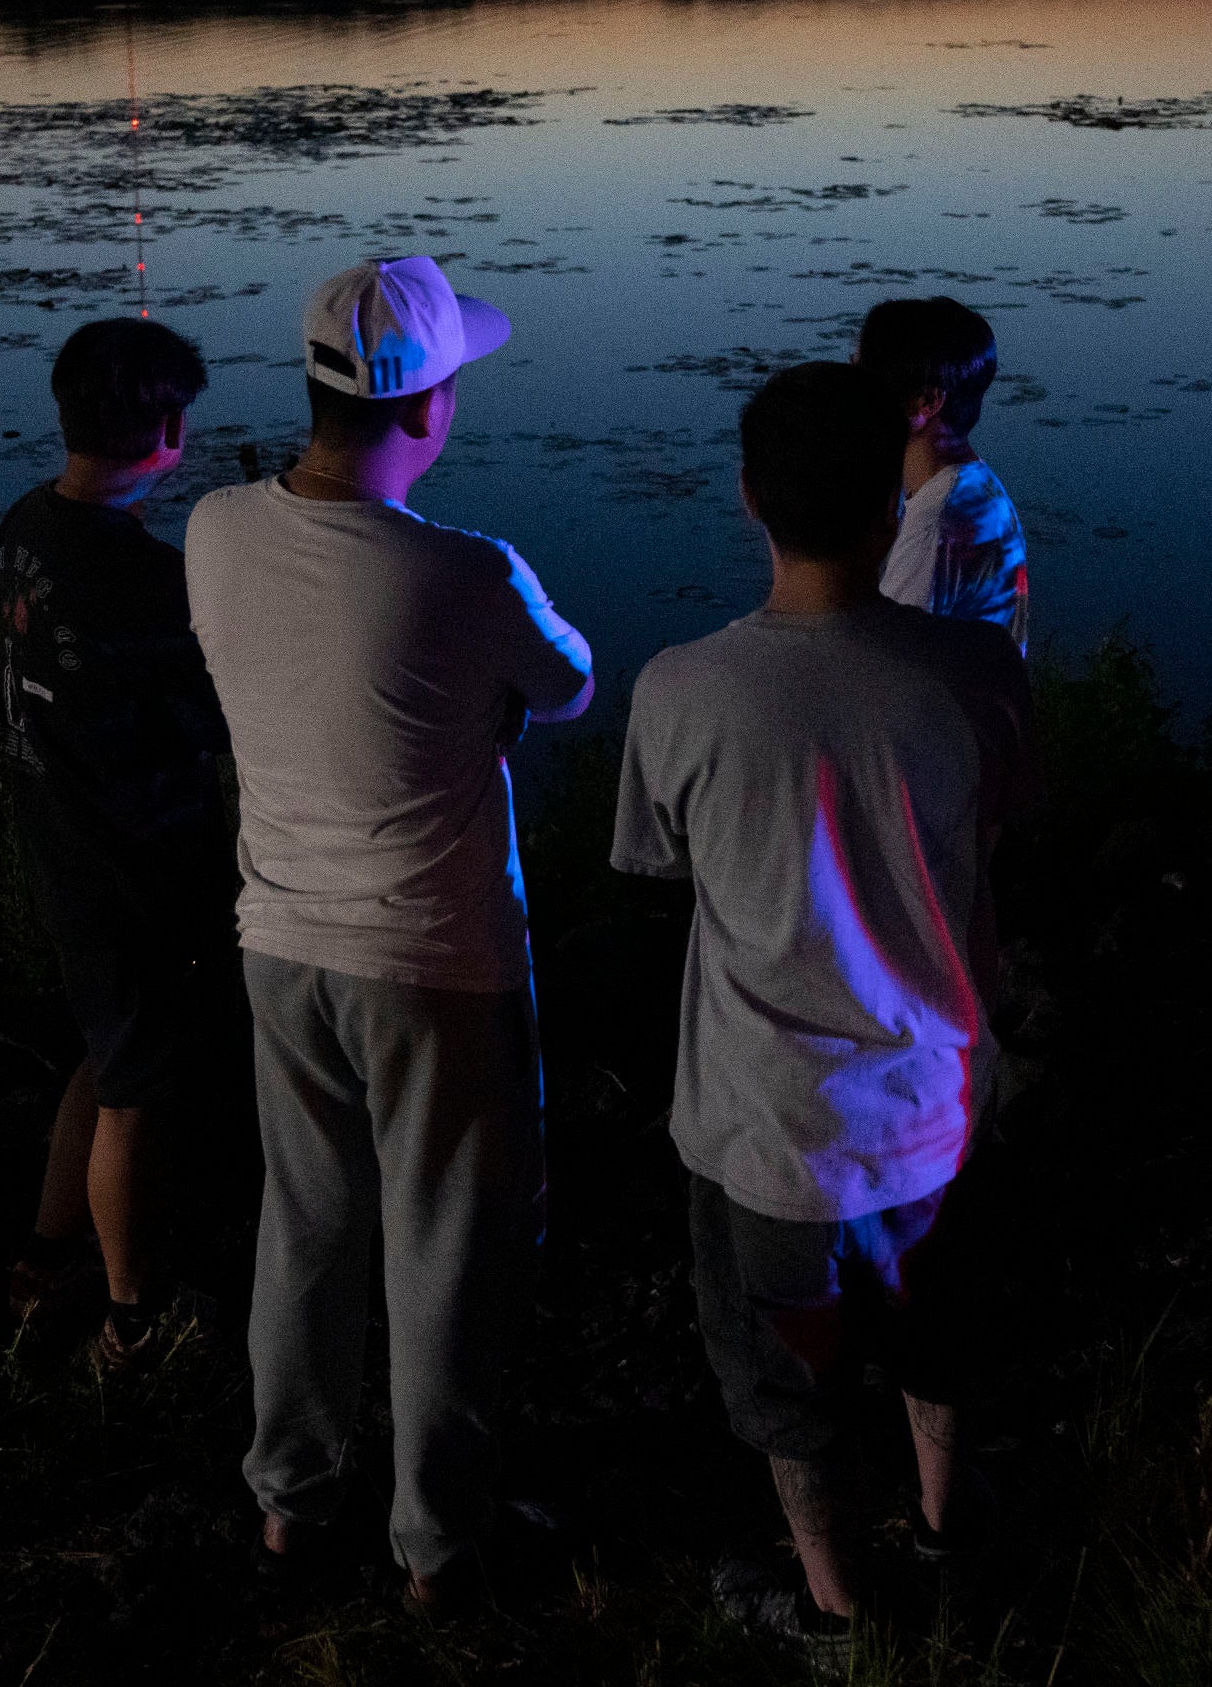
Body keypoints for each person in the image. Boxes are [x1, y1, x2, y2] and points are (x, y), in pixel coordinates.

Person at [183, 254, 595, 1611]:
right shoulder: (467, 571)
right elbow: (573, 683)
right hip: (432, 967)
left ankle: (290, 1508)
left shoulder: (214, 531)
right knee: (445, 1251)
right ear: (428, 406)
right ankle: (438, 1547)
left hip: (278, 947)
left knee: (304, 1229)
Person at [613, 362, 1032, 1670]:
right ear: (883, 508)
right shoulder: (970, 674)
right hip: (933, 1114)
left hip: (763, 1133)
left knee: (788, 1385)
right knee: (937, 1339)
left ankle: (837, 1607)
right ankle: (948, 1539)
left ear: (750, 499)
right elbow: (1007, 844)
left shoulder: (680, 688)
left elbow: (654, 869)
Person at [0, 317, 243, 1363]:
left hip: (60, 848)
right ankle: (131, 1317)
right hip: (134, 870)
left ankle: (45, 1254)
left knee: (102, 1054)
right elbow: (214, 722)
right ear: (169, 428)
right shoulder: (144, 577)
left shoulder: (23, 526)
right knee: (136, 1090)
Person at [856, 297, 1029, 652]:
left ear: (927, 403)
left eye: (863, 375)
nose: (852, 391)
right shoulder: (974, 489)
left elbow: (883, 662)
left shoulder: (937, 524)